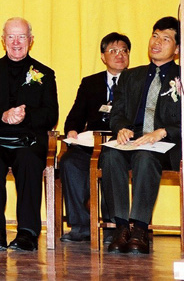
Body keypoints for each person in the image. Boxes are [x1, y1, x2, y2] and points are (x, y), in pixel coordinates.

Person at [0, 17, 58, 252]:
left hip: (29, 140)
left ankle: (27, 233)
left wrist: (24, 116)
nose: (16, 42)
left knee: (29, 159)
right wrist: (3, 116)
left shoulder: (45, 73)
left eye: (21, 37)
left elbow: (51, 115)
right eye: (11, 37)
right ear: (3, 40)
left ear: (31, 40)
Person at [101, 16, 181, 255]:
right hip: (134, 140)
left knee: (145, 158)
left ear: (177, 49)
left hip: (166, 145)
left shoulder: (181, 77)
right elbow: (117, 113)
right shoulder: (130, 76)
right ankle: (121, 227)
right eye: (155, 35)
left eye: (165, 39)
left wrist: (163, 131)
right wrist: (122, 128)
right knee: (110, 155)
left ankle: (139, 229)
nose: (156, 42)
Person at [59, 32, 131, 243]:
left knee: (111, 161)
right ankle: (81, 226)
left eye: (124, 51)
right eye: (113, 51)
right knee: (69, 162)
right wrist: (72, 130)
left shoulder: (136, 81)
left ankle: (112, 227)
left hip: (123, 144)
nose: (119, 55)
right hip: (91, 143)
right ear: (102, 56)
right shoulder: (90, 83)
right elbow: (75, 116)